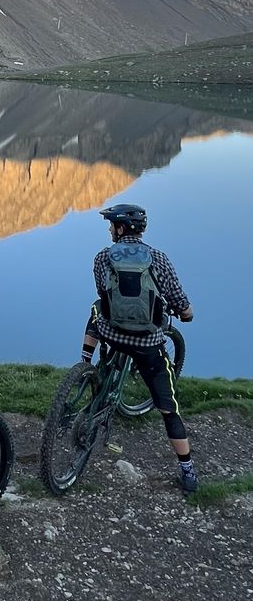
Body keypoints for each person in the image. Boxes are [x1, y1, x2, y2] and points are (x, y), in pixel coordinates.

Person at [81, 203, 197, 494]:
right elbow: (181, 303)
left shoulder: (102, 258)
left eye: (111, 226)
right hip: (147, 343)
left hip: (112, 334)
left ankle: (84, 363)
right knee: (169, 408)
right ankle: (188, 471)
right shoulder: (158, 258)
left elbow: (103, 293)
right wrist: (186, 314)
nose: (109, 230)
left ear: (121, 229)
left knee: (96, 309)